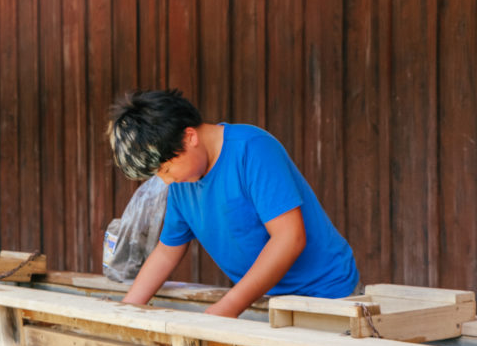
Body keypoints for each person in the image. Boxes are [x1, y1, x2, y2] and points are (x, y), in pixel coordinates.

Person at [108, 89, 359, 318]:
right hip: (268, 300)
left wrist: (228, 307)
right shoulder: (181, 184)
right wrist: (127, 310)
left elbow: (289, 238)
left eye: (165, 169)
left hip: (327, 295)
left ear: (190, 137)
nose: (165, 180)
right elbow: (166, 252)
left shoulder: (251, 149)